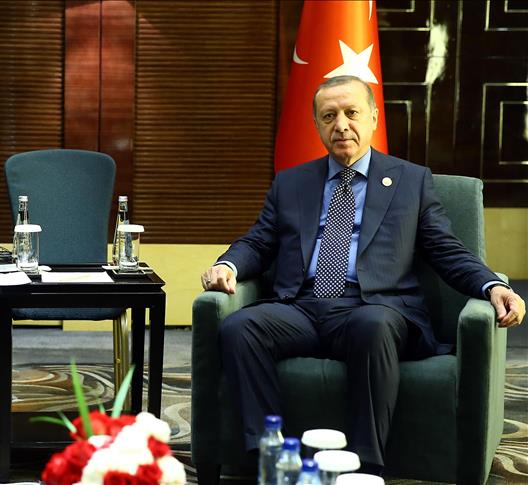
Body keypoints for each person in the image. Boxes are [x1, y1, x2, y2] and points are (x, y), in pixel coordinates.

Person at [200, 75, 525, 474]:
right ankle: (269, 457)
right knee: (240, 327)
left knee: (371, 326)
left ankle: (363, 467)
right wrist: (228, 264)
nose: (341, 125)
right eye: (329, 116)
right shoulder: (291, 183)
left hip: (374, 307)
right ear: (317, 125)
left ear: (373, 117)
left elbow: (446, 249)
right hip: (301, 307)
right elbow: (258, 241)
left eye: (351, 113)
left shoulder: (411, 181)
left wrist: (492, 285)